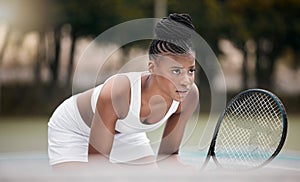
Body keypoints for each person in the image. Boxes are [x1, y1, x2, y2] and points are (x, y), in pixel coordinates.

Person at [48, 13, 199, 169]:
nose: (186, 81)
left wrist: (190, 172)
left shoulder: (190, 96)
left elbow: (168, 158)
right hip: (75, 129)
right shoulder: (117, 93)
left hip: (127, 134)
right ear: (153, 68)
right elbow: (96, 168)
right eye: (176, 71)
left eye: (191, 70)